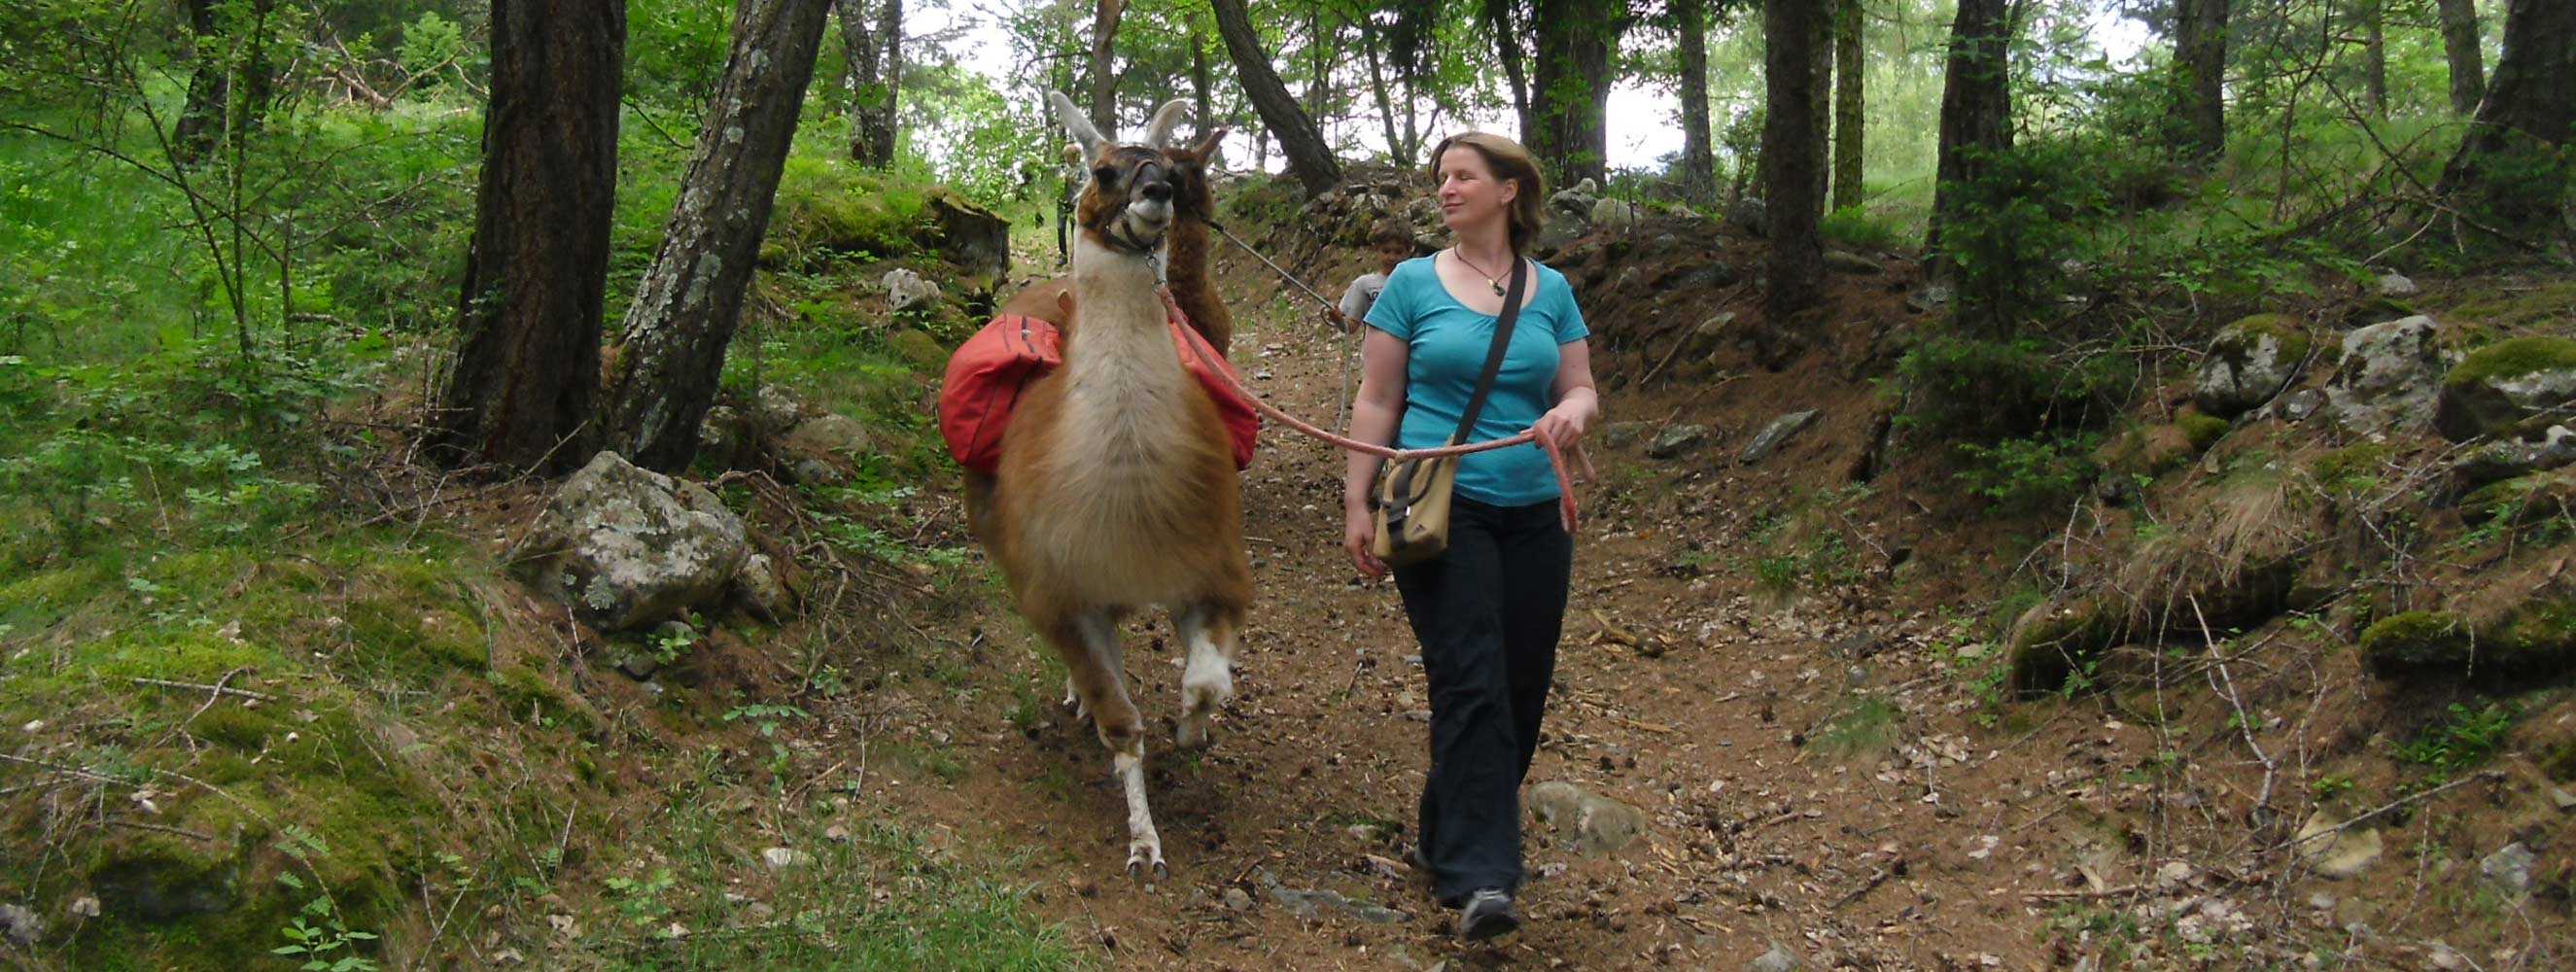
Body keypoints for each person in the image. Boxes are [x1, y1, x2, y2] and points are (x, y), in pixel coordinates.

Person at [1340, 132, 1600, 942]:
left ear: (1508, 191)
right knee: (1472, 676)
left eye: (1463, 176)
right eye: (1441, 178)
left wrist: (1571, 414)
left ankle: (1445, 825)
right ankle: (1482, 876)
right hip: (1440, 508)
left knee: (1520, 685)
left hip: (1535, 513)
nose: (1445, 190)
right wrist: (1356, 505)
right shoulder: (1411, 285)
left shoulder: (1550, 290)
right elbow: (1376, 401)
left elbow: (1581, 386)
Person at [1326, 220, 1417, 332]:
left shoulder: (1416, 283)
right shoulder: (1364, 284)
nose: (1392, 257)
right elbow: (1351, 327)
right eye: (1386, 251)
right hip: (1375, 348)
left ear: (1408, 252)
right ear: (1376, 250)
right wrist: (1338, 320)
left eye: (1398, 252)